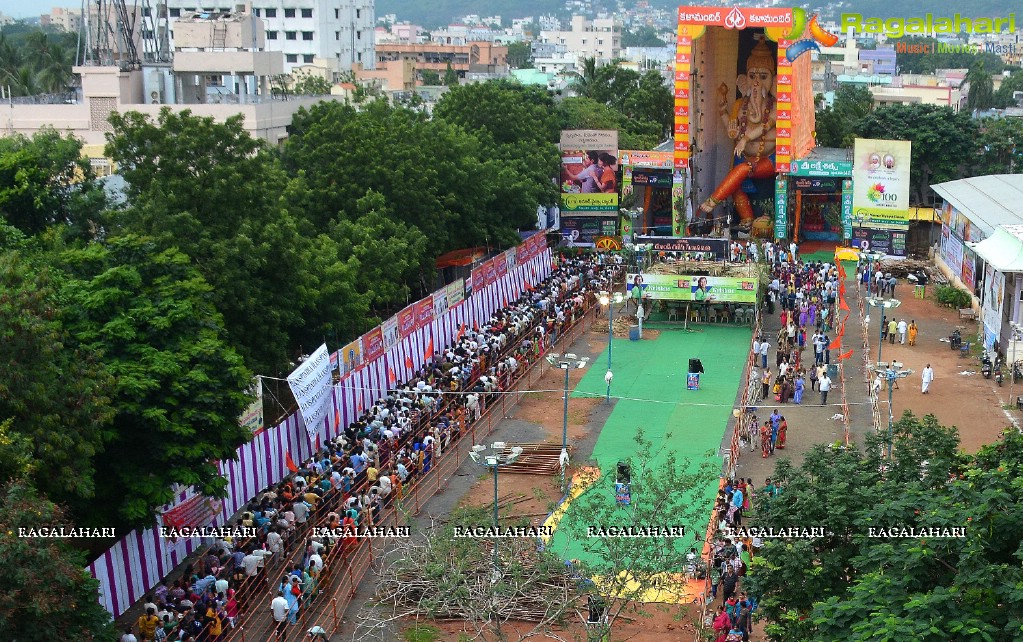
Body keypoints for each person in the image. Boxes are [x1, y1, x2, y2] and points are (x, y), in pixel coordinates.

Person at [699, 38, 779, 228]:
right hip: (744, 156)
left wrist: (745, 138)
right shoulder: (740, 105)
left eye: (763, 77)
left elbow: (766, 125)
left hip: (769, 158)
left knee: (741, 170)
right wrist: (723, 113)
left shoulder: (776, 106)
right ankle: (747, 219)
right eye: (752, 77)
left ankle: (714, 200)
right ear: (744, 81)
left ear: (774, 81)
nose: (756, 84)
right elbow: (732, 132)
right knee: (735, 181)